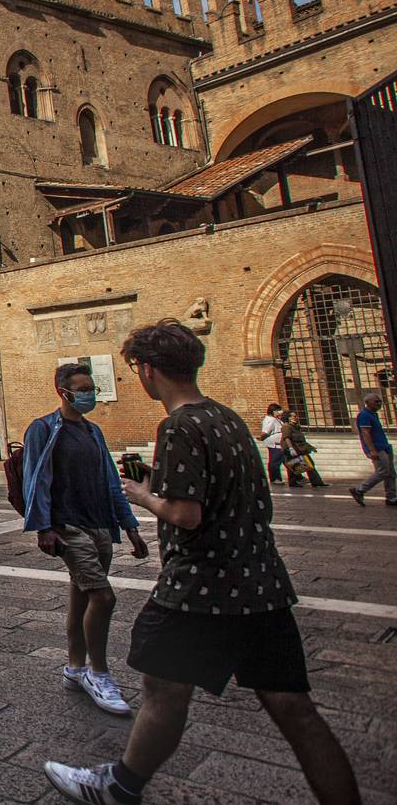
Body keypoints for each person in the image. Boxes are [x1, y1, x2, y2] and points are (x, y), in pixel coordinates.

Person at [44, 320, 359, 805]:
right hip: (262, 582)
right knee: (295, 710)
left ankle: (119, 787)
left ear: (148, 370)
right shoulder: (228, 418)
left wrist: (144, 496)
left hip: (202, 586)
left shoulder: (178, 426)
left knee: (162, 688)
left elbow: (186, 514)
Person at [21, 362, 150, 717]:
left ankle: (75, 667)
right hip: (68, 527)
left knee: (81, 596)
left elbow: (111, 481)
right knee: (103, 597)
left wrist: (130, 526)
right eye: (82, 388)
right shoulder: (44, 429)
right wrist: (44, 528)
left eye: (91, 387)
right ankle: (99, 673)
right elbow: (35, 480)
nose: (89, 393)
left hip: (99, 525)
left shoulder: (93, 432)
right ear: (63, 392)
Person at [350, 392, 395, 506]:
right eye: (376, 401)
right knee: (382, 472)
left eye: (380, 401)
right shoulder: (364, 415)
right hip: (377, 448)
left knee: (390, 473)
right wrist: (372, 450)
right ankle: (359, 490)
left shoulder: (373, 414)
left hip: (384, 447)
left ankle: (391, 497)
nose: (379, 404)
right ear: (367, 402)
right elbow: (365, 433)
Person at [279, 411, 326, 489]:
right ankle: (293, 482)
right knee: (295, 465)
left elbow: (301, 439)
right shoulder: (286, 426)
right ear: (288, 418)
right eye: (294, 416)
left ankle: (316, 482)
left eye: (296, 416)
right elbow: (287, 438)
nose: (296, 418)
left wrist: (310, 447)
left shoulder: (296, 426)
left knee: (308, 464)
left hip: (300, 448)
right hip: (291, 449)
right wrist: (291, 448)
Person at [259, 403, 286, 484]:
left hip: (280, 444)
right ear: (273, 411)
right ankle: (275, 478)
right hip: (275, 445)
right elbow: (265, 432)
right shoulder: (270, 420)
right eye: (278, 410)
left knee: (286, 461)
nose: (280, 412)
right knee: (275, 461)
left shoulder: (276, 419)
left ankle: (297, 477)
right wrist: (261, 438)